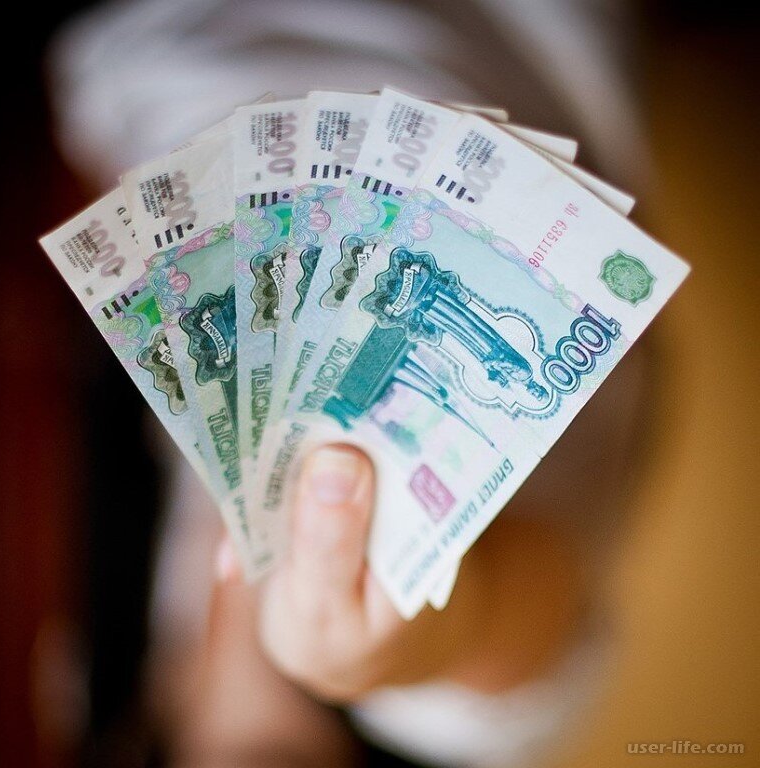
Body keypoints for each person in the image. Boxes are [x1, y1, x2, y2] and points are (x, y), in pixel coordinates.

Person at [47, 1, 651, 764]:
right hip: (497, 31)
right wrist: (399, 649)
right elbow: (521, 624)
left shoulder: (91, 669)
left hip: (156, 44)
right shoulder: (444, 729)